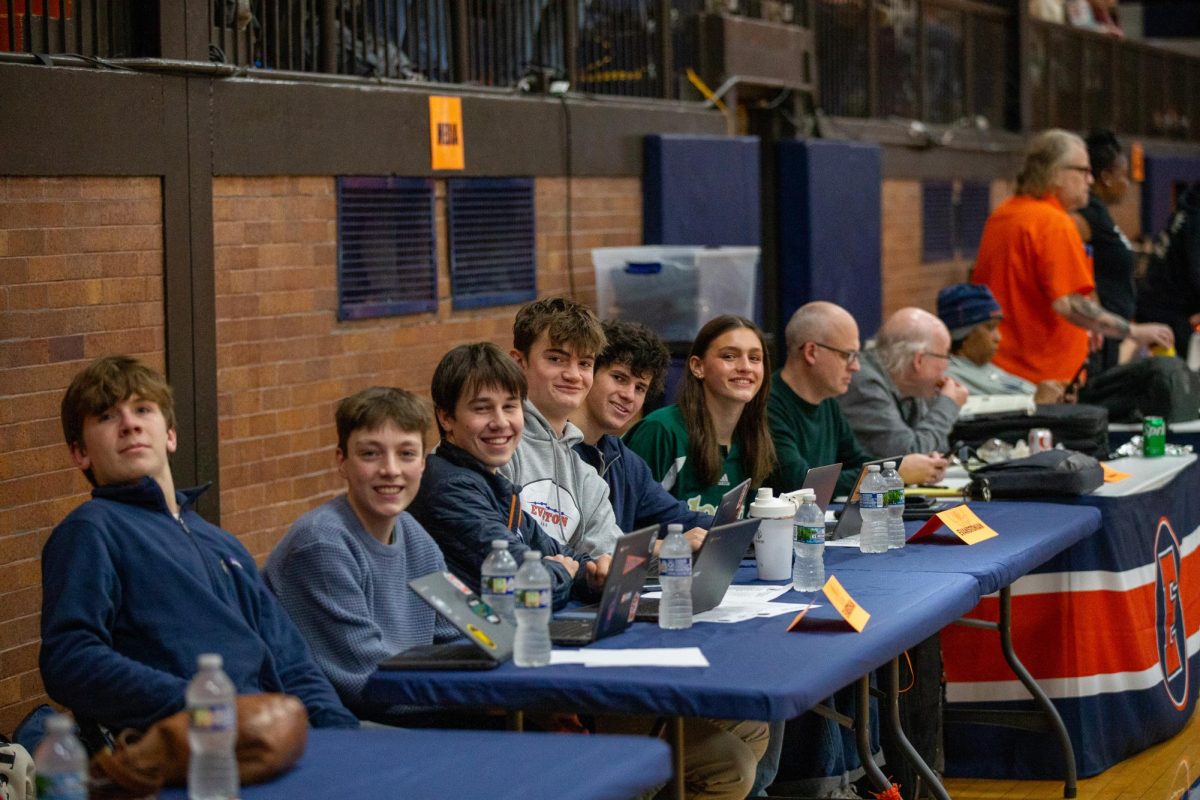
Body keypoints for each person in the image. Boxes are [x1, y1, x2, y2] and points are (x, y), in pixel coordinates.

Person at [40, 355, 358, 738]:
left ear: (170, 435)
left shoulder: (220, 542)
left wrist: (342, 737)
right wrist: (206, 705)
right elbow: (70, 661)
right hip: (198, 747)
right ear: (81, 453)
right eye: (106, 416)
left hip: (278, 736)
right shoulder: (91, 531)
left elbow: (292, 661)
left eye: (143, 409)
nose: (130, 424)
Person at [263, 387, 461, 720]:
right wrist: (483, 696)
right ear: (341, 460)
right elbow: (368, 680)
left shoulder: (414, 534)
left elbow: (465, 633)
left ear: (424, 463)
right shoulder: (322, 544)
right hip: (346, 728)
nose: (391, 470)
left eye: (407, 454)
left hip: (419, 707)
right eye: (371, 454)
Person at [408, 342, 608, 611]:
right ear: (446, 418)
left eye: (510, 407)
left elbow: (560, 553)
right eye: (482, 409)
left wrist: (594, 575)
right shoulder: (450, 488)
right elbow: (529, 589)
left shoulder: (491, 485)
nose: (501, 422)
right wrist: (563, 573)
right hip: (464, 648)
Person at [973, 128, 1173, 385]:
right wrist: (1133, 331)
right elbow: (1069, 303)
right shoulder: (1053, 223)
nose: (1090, 180)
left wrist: (1090, 325)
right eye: (1083, 171)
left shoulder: (1003, 215)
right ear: (1055, 173)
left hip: (1001, 370)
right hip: (1042, 377)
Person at [768, 301, 950, 498]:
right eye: (847, 355)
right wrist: (895, 472)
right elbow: (801, 483)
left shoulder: (827, 402)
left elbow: (857, 461)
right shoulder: (769, 405)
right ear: (811, 352)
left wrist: (914, 466)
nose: (856, 367)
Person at [501, 296, 624, 556]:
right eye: (556, 359)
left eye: (585, 364)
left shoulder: (586, 477)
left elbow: (612, 562)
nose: (573, 375)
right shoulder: (495, 447)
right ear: (519, 363)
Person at [569, 319, 711, 543]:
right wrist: (658, 547)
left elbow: (679, 518)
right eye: (619, 378)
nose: (629, 395)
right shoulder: (558, 449)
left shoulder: (622, 459)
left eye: (640, 388)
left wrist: (758, 524)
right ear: (589, 373)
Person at [626, 315, 776, 515]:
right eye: (729, 356)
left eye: (755, 358)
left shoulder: (753, 439)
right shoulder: (661, 430)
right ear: (698, 367)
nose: (746, 367)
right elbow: (625, 522)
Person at [838, 307, 968, 458]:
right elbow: (907, 456)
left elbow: (938, 450)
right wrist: (948, 405)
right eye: (945, 356)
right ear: (919, 360)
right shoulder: (864, 384)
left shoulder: (912, 385)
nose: (946, 366)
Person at [1072, 130, 1138, 374]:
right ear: (1107, 177)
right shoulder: (1086, 214)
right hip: (1098, 333)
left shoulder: (1100, 213)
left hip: (1111, 334)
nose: (1127, 184)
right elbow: (1070, 259)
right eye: (1125, 176)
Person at [937, 284, 1069, 403]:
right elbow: (988, 423)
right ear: (964, 335)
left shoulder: (983, 367)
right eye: (990, 328)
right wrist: (1040, 405)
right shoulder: (951, 380)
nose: (998, 337)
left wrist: (1056, 394)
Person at [1137, 182, 1200, 361]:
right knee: (1181, 381)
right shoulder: (1194, 218)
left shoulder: (1187, 207)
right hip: (1167, 319)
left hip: (1160, 311)